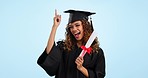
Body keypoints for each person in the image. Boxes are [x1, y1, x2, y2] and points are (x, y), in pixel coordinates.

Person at [37, 9, 106, 78]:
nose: (74, 29)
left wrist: (81, 68)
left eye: (77, 25)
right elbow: (50, 53)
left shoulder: (97, 52)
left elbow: (99, 76)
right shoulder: (65, 47)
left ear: (85, 26)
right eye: (71, 27)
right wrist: (55, 27)